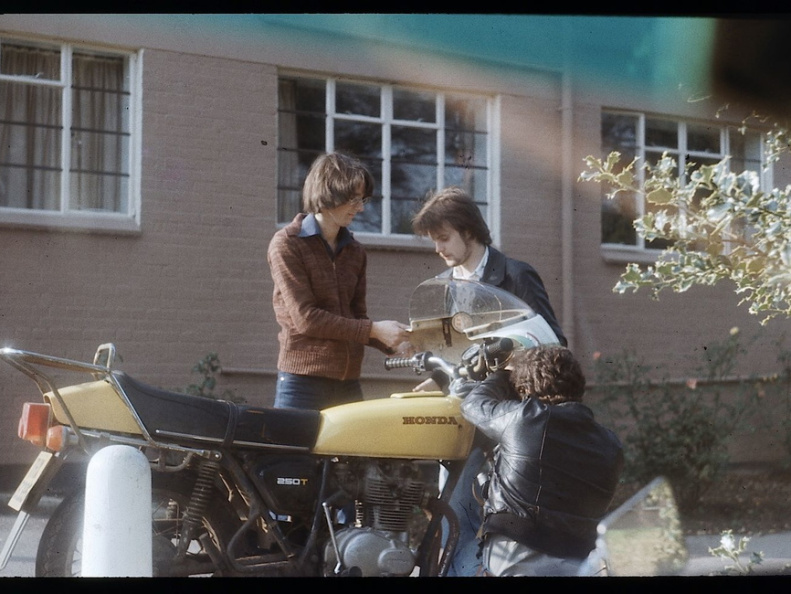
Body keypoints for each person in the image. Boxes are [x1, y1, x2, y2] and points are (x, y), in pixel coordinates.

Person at [411, 186, 567, 576]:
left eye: (443, 238)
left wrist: (505, 353)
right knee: (452, 515)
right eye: (433, 241)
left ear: (469, 231)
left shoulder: (515, 274)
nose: (438, 249)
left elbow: (554, 345)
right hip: (463, 414)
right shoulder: (444, 284)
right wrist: (437, 378)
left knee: (492, 520)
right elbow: (452, 353)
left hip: (507, 417)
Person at [459, 346, 624, 576]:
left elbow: (472, 404)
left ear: (524, 390)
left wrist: (504, 374)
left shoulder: (525, 419)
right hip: (580, 562)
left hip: (517, 556)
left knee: (460, 537)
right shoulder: (611, 444)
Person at [267, 152, 410, 411]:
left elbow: (356, 317)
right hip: (301, 383)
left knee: (355, 453)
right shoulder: (287, 244)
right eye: (354, 199)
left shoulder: (355, 251)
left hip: (347, 383)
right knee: (290, 453)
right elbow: (307, 319)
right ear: (328, 194)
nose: (362, 208)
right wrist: (376, 330)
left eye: (363, 199)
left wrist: (395, 343)